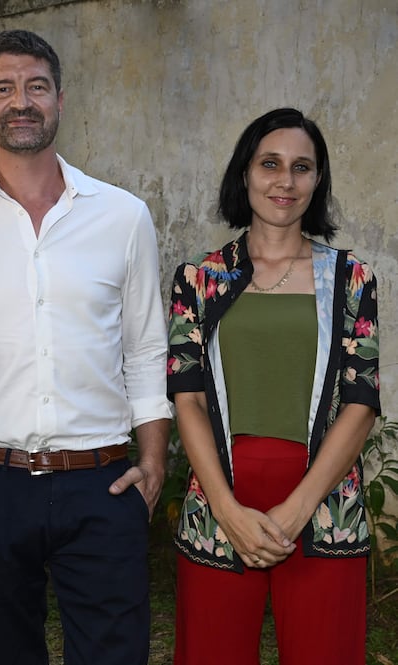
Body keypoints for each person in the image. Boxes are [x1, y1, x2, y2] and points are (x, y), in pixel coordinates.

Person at [0, 29, 171, 665]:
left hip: (103, 485)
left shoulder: (123, 217)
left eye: (36, 87)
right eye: (4, 89)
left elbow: (145, 348)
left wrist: (154, 463)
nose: (21, 101)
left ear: (60, 99)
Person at [167, 108, 380, 665]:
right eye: (270, 163)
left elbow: (360, 403)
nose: (285, 181)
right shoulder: (200, 278)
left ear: (318, 180)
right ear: (245, 173)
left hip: (324, 502)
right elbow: (185, 396)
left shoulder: (352, 279)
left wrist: (297, 510)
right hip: (219, 498)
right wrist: (228, 509)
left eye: (302, 167)